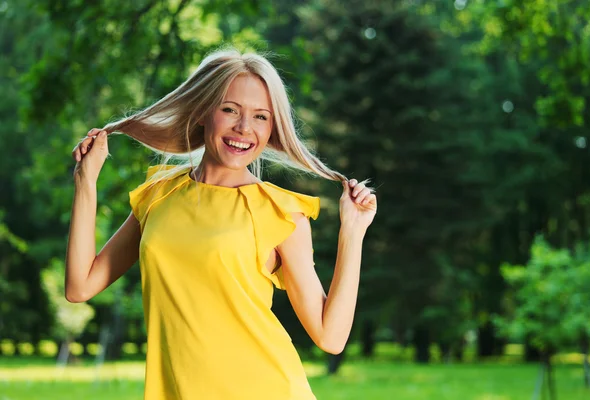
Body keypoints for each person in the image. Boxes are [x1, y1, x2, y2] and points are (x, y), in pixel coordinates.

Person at [65, 48, 377, 400]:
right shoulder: (159, 195)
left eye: (261, 116)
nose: (244, 128)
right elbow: (80, 287)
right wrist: (85, 183)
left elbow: (330, 337)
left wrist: (352, 231)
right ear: (201, 112)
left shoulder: (279, 211)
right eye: (230, 110)